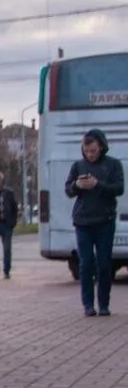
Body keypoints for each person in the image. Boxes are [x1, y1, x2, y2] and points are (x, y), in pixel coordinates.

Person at [66, 128, 123, 316]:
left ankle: (104, 304)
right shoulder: (77, 166)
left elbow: (119, 188)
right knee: (86, 263)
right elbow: (68, 190)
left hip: (105, 221)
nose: (90, 154)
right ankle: (88, 305)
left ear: (101, 147)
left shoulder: (113, 165)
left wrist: (97, 184)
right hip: (82, 221)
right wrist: (77, 185)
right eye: (87, 150)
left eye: (94, 150)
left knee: (104, 263)